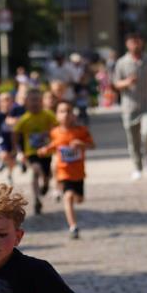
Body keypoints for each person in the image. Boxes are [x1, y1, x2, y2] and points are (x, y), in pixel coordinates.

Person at [38, 99, 95, 239]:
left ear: (74, 115)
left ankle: (75, 202)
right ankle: (73, 226)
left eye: (69, 111)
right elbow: (54, 145)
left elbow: (92, 145)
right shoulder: (55, 132)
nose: (66, 114)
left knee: (79, 200)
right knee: (68, 196)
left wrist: (81, 144)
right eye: (62, 111)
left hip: (79, 173)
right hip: (64, 172)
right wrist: (45, 150)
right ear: (57, 115)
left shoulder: (81, 130)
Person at [113, 31, 147, 179]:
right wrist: (126, 82)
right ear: (127, 44)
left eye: (138, 41)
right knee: (133, 140)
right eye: (132, 41)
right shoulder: (122, 62)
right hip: (130, 106)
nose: (136, 44)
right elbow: (115, 83)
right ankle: (137, 167)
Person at [14, 89, 57, 214]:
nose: (35, 103)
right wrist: (18, 151)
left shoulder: (48, 115)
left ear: (42, 102)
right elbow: (15, 135)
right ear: (26, 102)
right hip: (31, 152)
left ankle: (46, 184)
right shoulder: (24, 119)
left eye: (37, 100)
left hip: (47, 151)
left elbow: (57, 126)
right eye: (32, 100)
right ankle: (37, 198)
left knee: (47, 175)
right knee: (35, 170)